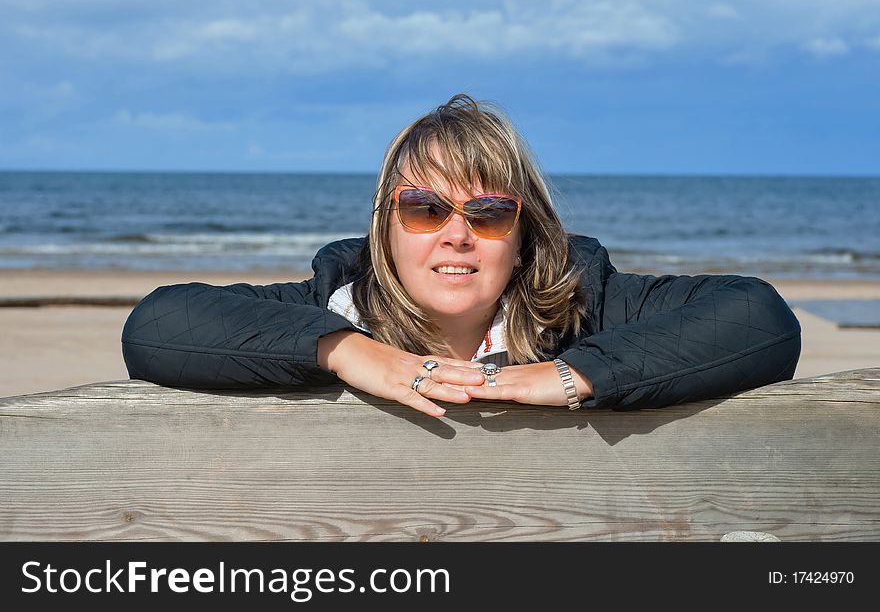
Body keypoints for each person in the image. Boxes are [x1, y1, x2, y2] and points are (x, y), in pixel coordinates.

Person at [121, 94, 801, 416]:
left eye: (488, 213)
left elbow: (762, 318)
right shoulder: (333, 305)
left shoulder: (590, 304)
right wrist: (350, 352)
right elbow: (156, 326)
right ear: (386, 225)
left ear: (525, 231)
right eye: (424, 208)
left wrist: (574, 373)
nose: (456, 234)